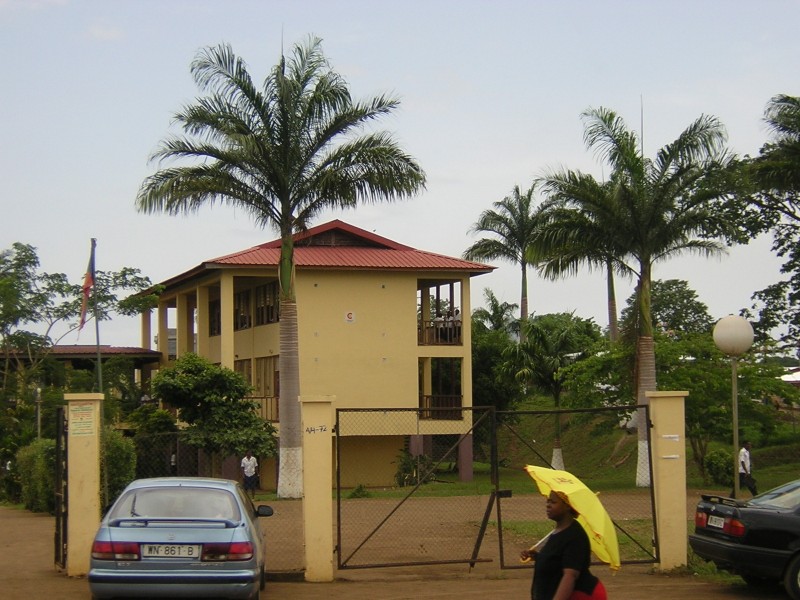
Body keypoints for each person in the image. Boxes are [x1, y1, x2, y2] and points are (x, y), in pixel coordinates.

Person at [520, 491, 607, 600]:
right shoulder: (559, 530)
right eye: (548, 501)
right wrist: (539, 557)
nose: (548, 505)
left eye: (553, 502)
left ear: (567, 506)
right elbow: (558, 559)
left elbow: (570, 576)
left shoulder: (575, 536)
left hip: (581, 595)